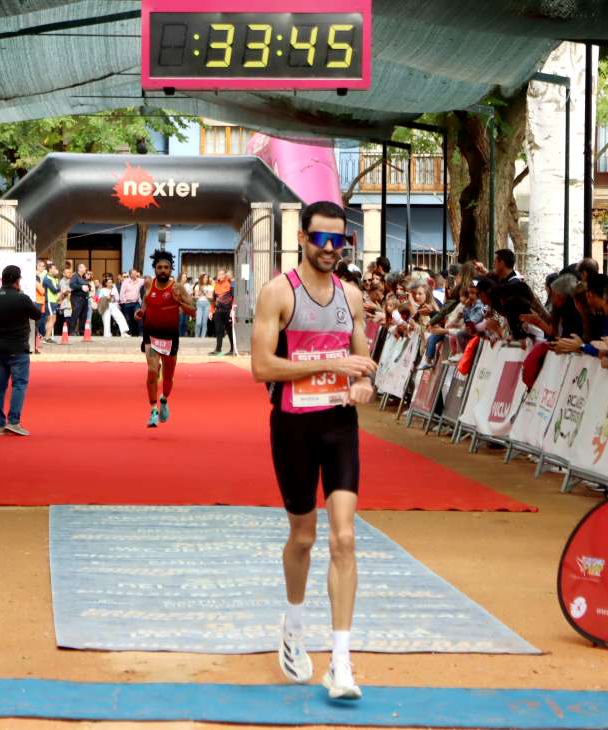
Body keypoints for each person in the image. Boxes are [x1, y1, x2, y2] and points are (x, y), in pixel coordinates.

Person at [250, 200, 376, 701]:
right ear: (302, 238)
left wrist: (363, 381)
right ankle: (294, 628)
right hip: (294, 427)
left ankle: (341, 663)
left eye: (338, 240)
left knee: (344, 538)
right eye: (321, 239)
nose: (329, 249)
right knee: (303, 536)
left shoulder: (352, 296)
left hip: (340, 425)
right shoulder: (278, 293)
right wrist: (327, 364)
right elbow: (261, 367)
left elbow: (363, 361)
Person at [135, 249, 196, 428]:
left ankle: (163, 400)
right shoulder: (148, 284)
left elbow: (193, 310)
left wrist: (180, 302)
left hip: (170, 337)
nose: (163, 270)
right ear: (154, 269)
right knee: (152, 371)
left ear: (171, 269)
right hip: (150, 335)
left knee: (168, 377)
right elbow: (145, 303)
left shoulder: (177, 288)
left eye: (166, 268)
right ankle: (153, 410)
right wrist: (141, 312)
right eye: (160, 267)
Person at [0, 265, 41, 436]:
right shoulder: (22, 298)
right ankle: (13, 420)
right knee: (19, 384)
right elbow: (37, 315)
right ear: (17, 280)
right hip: (18, 346)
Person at [211, 269, 236, 356]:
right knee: (218, 330)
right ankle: (218, 349)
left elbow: (233, 297)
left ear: (225, 275)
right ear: (217, 276)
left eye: (222, 274)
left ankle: (233, 349)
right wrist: (211, 311)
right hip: (218, 311)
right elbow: (213, 300)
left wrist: (232, 310)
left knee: (229, 331)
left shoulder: (229, 283)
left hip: (227, 311)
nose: (221, 276)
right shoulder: (216, 285)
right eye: (219, 274)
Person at [68, 263, 90, 336]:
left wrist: (87, 285)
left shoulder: (83, 277)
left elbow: (87, 285)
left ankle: (82, 331)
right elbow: (72, 285)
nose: (85, 268)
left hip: (84, 298)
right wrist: (81, 287)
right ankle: (71, 331)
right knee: (75, 314)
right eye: (84, 267)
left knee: (83, 315)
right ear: (79, 268)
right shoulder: (75, 276)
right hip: (77, 298)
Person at [120, 268, 143, 336]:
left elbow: (148, 280)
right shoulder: (125, 282)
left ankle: (141, 333)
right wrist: (124, 301)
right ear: (130, 275)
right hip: (127, 303)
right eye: (134, 273)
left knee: (139, 317)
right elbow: (122, 293)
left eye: (136, 273)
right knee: (128, 319)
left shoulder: (140, 281)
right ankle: (128, 333)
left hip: (136, 303)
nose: (135, 274)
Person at [194, 273, 214, 338]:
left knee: (204, 322)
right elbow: (195, 297)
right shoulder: (197, 286)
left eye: (207, 278)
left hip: (207, 304)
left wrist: (206, 294)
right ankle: (196, 337)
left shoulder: (210, 287)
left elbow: (211, 298)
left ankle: (203, 338)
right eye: (204, 277)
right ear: (202, 279)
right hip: (199, 303)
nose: (206, 279)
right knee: (198, 322)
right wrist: (199, 294)